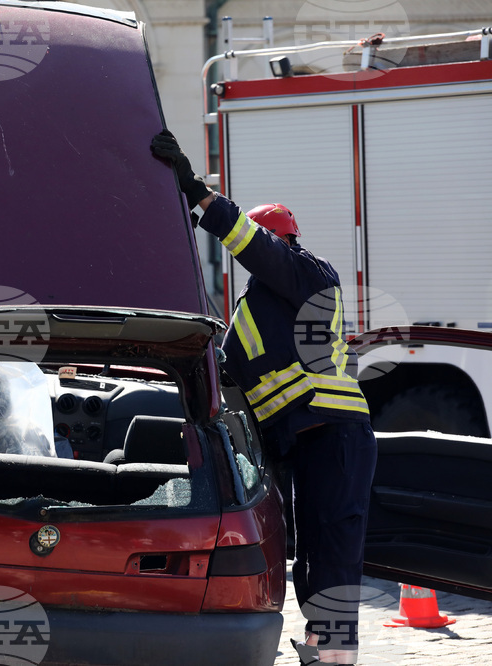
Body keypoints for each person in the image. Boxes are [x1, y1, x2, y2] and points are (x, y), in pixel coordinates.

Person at [151, 129, 377, 666]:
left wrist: (199, 195)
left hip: (336, 434)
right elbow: (219, 375)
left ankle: (338, 651)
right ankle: (320, 643)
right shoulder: (243, 318)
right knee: (310, 547)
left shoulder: (309, 275)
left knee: (336, 539)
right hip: (296, 446)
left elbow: (258, 249)